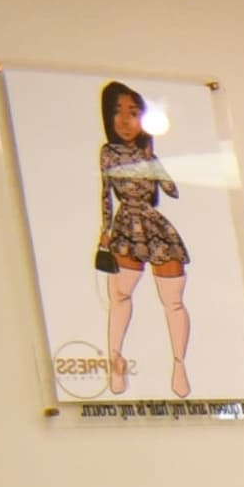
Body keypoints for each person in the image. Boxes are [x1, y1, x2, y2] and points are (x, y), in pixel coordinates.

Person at [94, 82, 191, 400]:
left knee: (173, 299)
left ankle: (179, 365)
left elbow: (172, 190)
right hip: (126, 226)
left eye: (133, 113)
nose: (125, 120)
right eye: (118, 112)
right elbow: (106, 194)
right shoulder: (108, 153)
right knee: (120, 296)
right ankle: (115, 361)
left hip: (153, 224)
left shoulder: (148, 154)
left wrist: (153, 163)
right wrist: (105, 229)